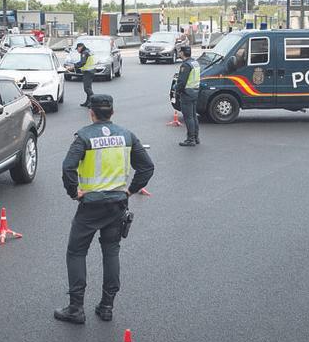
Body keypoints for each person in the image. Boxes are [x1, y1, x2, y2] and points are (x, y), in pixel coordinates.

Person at [55, 94, 155, 324]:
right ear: (112, 112)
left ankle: (76, 308)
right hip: (117, 205)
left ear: (91, 112)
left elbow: (68, 167)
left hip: (90, 206)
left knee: (76, 252)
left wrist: (74, 192)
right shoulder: (126, 135)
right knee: (111, 251)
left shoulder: (83, 137)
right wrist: (130, 191)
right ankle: (107, 305)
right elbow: (147, 167)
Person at [174, 46, 201, 147]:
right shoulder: (195, 63)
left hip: (187, 93)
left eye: (180, 51)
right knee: (193, 116)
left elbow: (181, 82)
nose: (179, 53)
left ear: (183, 53)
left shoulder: (185, 65)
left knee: (188, 117)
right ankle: (196, 137)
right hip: (195, 92)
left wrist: (177, 91)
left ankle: (190, 139)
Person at [71, 42, 95, 107]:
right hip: (91, 71)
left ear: (80, 47)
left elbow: (83, 62)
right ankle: (88, 102)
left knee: (86, 88)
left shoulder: (84, 53)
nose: (77, 51)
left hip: (88, 72)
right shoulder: (88, 51)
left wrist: (74, 66)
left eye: (77, 49)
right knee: (89, 88)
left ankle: (94, 102)